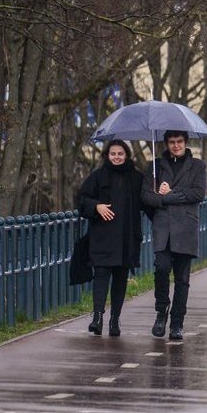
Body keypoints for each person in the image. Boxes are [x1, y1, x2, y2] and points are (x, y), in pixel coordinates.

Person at [142, 130, 207, 341]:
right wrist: (162, 198)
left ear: (186, 143)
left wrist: (169, 194)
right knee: (161, 268)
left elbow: (198, 193)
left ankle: (177, 323)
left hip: (186, 227)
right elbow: (146, 196)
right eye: (172, 142)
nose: (176, 145)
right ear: (166, 143)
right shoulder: (155, 166)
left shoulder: (198, 166)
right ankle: (162, 311)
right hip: (163, 227)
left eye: (179, 141)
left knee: (182, 279)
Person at [76, 140, 145, 336]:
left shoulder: (137, 178)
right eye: (113, 154)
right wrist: (96, 206)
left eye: (120, 154)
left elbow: (147, 202)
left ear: (127, 155)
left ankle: (115, 320)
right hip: (103, 236)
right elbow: (81, 199)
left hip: (127, 237)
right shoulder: (97, 177)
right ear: (107, 155)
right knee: (101, 275)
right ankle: (97, 317)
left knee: (120, 278)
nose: (116, 157)